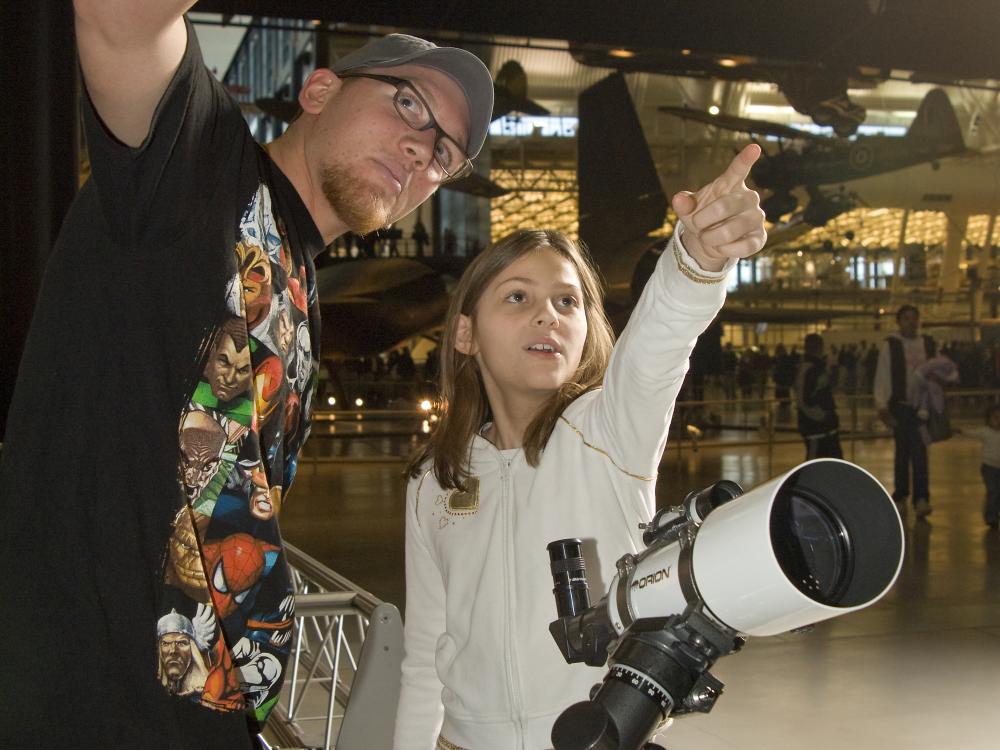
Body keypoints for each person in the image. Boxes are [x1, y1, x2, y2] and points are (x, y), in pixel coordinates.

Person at [0, 3, 493, 747]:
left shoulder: (302, 290)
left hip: (203, 716)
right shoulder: (200, 172)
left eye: (446, 155)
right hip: (87, 704)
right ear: (320, 90)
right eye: (408, 102)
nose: (423, 150)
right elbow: (120, 21)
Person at [393, 145, 767, 749]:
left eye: (569, 301)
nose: (549, 314)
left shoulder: (609, 432)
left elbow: (657, 347)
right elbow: (424, 655)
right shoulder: (434, 481)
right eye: (518, 296)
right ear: (465, 332)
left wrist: (695, 259)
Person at [873, 305, 937, 518]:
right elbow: (882, 377)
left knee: (920, 454)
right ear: (899, 322)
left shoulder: (928, 344)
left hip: (923, 408)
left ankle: (920, 497)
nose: (911, 322)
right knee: (902, 453)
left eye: (914, 318)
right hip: (900, 407)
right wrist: (882, 407)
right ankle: (902, 496)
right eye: (907, 318)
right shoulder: (891, 346)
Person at [794, 333, 842, 459]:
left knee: (833, 465)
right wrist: (822, 416)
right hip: (816, 428)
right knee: (814, 466)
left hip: (826, 428)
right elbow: (803, 400)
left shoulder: (818, 367)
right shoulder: (808, 369)